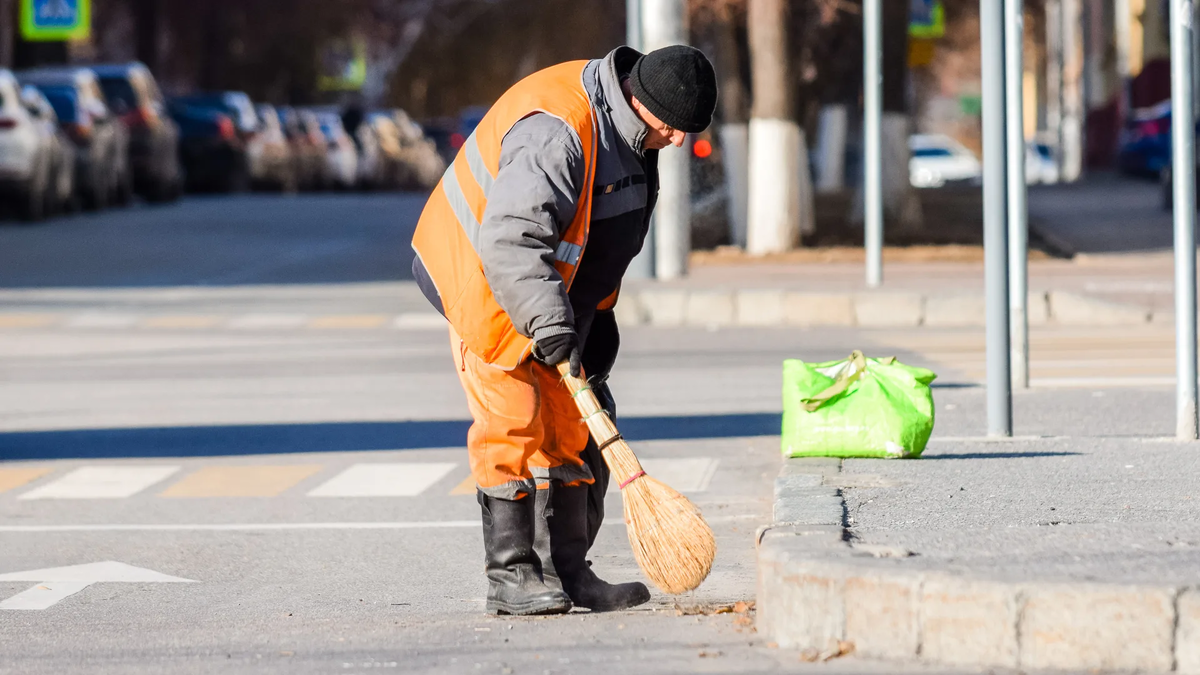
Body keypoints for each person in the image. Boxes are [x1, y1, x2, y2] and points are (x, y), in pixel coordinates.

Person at [411, 45, 717, 615]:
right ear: (639, 100)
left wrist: (596, 318)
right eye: (673, 127)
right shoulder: (558, 131)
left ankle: (567, 571)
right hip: (487, 276)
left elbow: (602, 240)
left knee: (571, 426)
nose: (678, 141)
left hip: (549, 287)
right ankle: (511, 575)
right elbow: (509, 241)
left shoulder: (632, 136)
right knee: (513, 422)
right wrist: (551, 324)